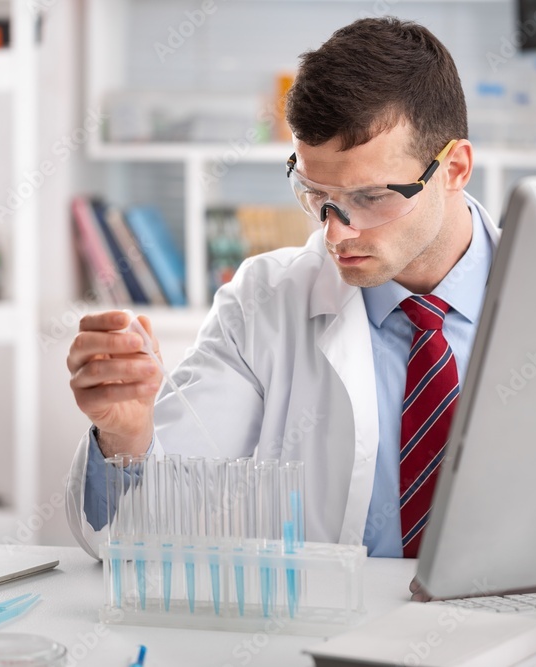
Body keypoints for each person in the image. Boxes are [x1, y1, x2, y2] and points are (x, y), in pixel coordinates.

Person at [65, 16, 499, 569]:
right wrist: (125, 435)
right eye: (315, 193)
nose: (335, 232)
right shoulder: (264, 303)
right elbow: (138, 537)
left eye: (369, 197)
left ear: (455, 167)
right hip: (333, 641)